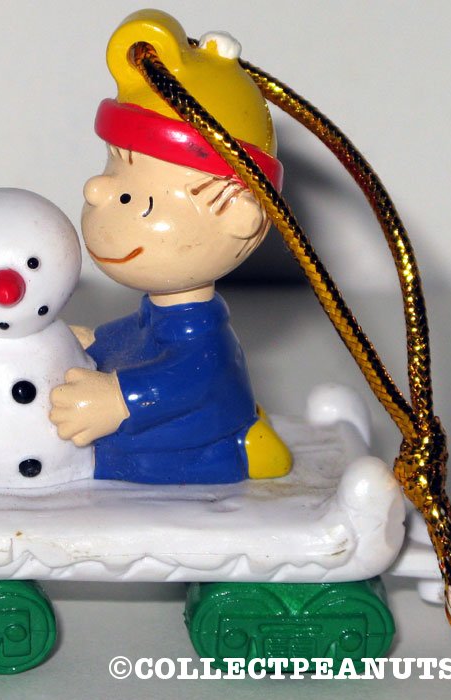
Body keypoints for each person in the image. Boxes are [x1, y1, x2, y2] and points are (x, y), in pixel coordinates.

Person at [50, 10, 291, 484]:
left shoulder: (206, 342)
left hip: (200, 447)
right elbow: (146, 331)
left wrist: (119, 400)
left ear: (238, 217)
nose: (96, 191)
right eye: (113, 168)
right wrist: (99, 342)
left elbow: (190, 378)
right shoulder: (169, 316)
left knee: (99, 453)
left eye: (135, 199)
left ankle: (242, 454)